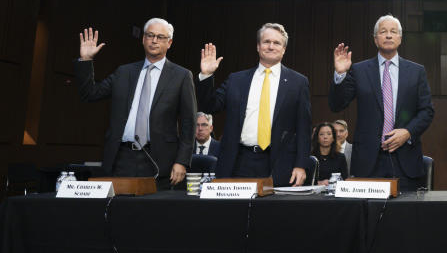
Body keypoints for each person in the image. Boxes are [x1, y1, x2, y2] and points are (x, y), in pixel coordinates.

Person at [75, 20, 195, 188]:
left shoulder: (181, 76)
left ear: (169, 43)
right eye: (150, 35)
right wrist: (86, 60)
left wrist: (182, 161)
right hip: (121, 157)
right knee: (119, 209)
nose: (154, 40)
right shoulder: (124, 72)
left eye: (160, 37)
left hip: (159, 158)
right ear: (143, 39)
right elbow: (90, 94)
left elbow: (189, 123)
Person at [197, 23, 311, 187]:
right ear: (258, 47)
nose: (271, 46)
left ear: (284, 49)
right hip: (239, 161)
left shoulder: (298, 82)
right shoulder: (236, 80)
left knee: (275, 213)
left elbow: (303, 128)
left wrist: (301, 165)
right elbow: (209, 106)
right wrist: (206, 76)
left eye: (277, 43)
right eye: (266, 42)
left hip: (280, 162)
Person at [330, 15, 435, 192]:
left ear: (400, 38)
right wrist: (340, 74)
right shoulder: (359, 70)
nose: (388, 35)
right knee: (367, 216)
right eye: (383, 32)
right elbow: (337, 105)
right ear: (375, 39)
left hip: (405, 158)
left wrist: (408, 132)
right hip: (368, 161)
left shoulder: (416, 71)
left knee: (405, 216)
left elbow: (427, 111)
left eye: (393, 32)